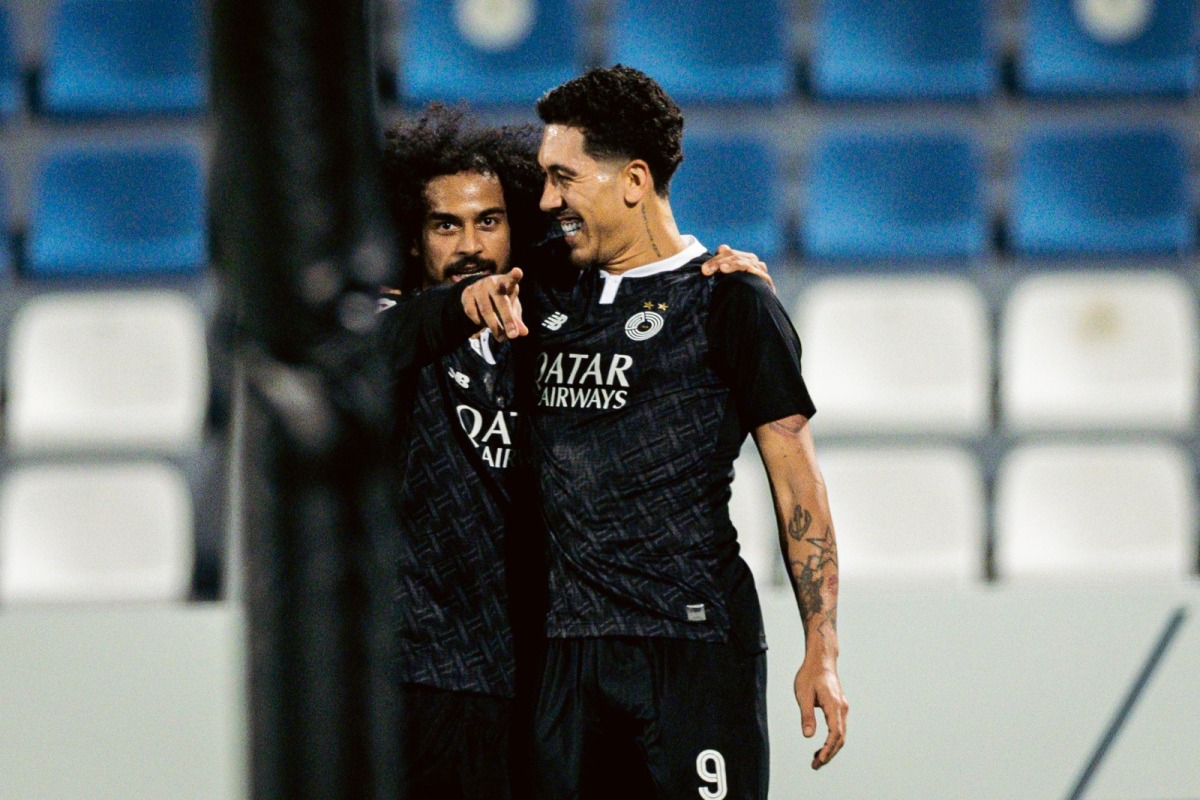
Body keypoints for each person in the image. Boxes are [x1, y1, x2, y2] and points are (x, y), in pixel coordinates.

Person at [375, 103, 774, 799]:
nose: (469, 244)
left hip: (540, 684)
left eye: (489, 222)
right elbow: (359, 348)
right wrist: (461, 307)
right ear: (414, 239)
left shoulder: (553, 323)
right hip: (423, 680)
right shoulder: (399, 330)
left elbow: (631, 261)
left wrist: (712, 272)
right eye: (446, 225)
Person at [521, 65, 849, 799]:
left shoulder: (730, 302)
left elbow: (797, 481)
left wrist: (820, 650)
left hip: (693, 647)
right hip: (566, 655)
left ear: (633, 180)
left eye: (563, 179)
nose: (547, 200)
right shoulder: (542, 283)